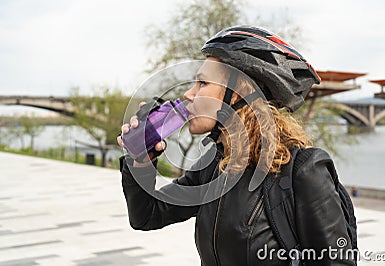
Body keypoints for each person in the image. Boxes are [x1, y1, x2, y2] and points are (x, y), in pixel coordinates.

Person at [117, 26, 356, 265]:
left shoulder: (302, 170)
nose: (189, 94)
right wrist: (141, 160)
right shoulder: (213, 167)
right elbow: (146, 215)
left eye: (202, 83)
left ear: (239, 92)